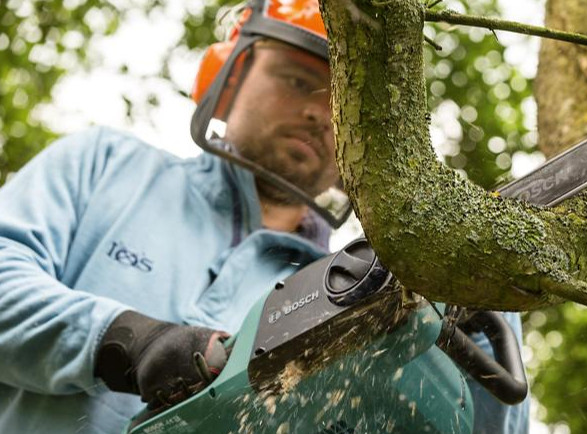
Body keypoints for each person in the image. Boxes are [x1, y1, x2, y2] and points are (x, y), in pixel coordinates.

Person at [0, 0, 529, 432]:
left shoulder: (349, 299)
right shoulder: (107, 167)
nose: (318, 113)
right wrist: (127, 340)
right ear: (230, 75)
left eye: (343, 106)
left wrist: (482, 312)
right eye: (298, 81)